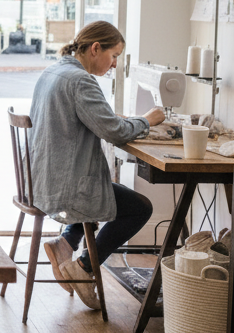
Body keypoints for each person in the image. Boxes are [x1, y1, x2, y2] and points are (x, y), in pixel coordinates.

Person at [28, 21, 165, 309]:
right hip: (66, 186)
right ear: (95, 49)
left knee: (99, 186)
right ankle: (84, 267)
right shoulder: (81, 81)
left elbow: (93, 120)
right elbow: (114, 132)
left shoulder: (53, 71)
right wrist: (147, 120)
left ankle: (67, 241)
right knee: (139, 208)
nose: (115, 65)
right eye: (114, 56)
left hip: (41, 180)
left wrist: (117, 119)